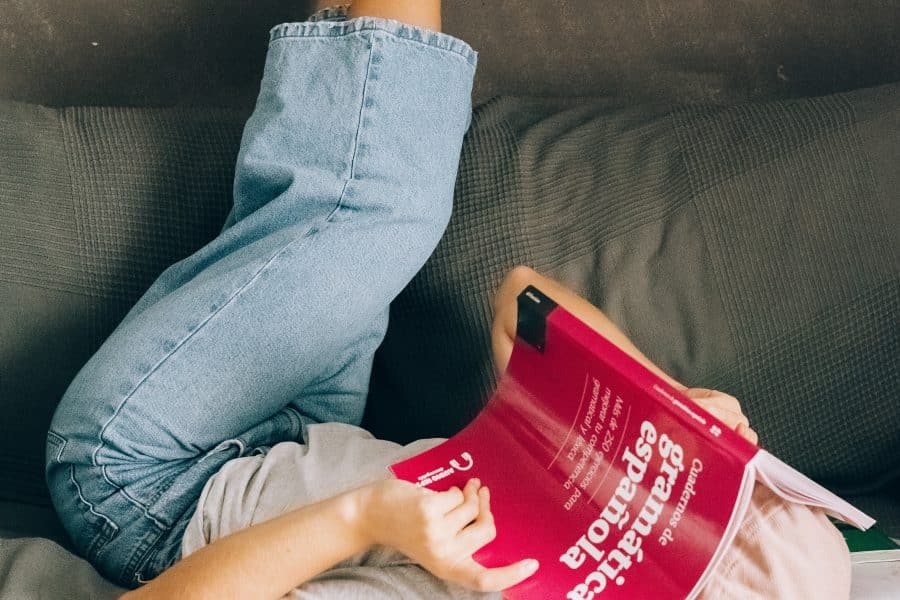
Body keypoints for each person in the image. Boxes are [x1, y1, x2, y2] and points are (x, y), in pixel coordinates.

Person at [45, 1, 852, 598]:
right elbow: (522, 302)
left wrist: (366, 522)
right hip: (307, 436)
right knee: (368, 207)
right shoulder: (611, 538)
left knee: (378, 208)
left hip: (150, 484)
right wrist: (671, 412)